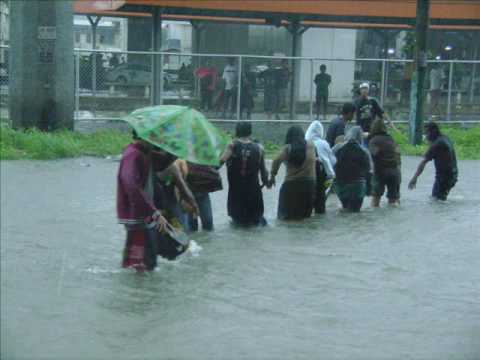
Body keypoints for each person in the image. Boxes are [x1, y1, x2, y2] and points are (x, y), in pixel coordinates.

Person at [117, 131, 178, 271]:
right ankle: (140, 290)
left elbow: (162, 162)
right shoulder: (133, 154)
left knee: (139, 261)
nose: (159, 140)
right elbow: (131, 185)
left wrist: (178, 146)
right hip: (139, 214)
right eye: (156, 136)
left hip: (144, 214)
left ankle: (137, 289)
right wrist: (154, 212)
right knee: (143, 262)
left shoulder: (144, 152)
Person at [221, 122, 269, 226]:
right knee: (255, 224)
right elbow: (264, 173)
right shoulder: (259, 149)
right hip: (255, 193)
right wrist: (266, 182)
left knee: (238, 225)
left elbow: (219, 162)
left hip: (237, 194)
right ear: (250, 132)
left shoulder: (232, 146)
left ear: (237, 131)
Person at [270, 126, 317, 220]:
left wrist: (273, 175)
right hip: (309, 186)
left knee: (285, 219)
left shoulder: (288, 148)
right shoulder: (312, 145)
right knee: (305, 219)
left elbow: (276, 160)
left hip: (291, 186)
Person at [408, 122, 458, 201]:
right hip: (452, 174)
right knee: (437, 199)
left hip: (444, 177)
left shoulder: (437, 145)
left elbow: (423, 162)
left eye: (426, 133)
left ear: (432, 132)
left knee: (437, 201)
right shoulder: (445, 138)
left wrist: (414, 178)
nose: (426, 136)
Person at [333, 126, 372, 212]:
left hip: (341, 185)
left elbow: (331, 164)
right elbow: (369, 170)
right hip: (358, 186)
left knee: (345, 208)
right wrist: (369, 190)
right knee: (355, 212)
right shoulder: (364, 150)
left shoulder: (337, 148)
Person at [368, 119, 402, 207]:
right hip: (394, 171)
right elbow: (397, 153)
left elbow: (375, 154)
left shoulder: (373, 141)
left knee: (375, 201)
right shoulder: (390, 138)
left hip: (381, 171)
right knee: (393, 201)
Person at [305, 121, 336, 214]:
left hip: (308, 176)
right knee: (321, 202)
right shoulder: (324, 143)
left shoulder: (305, 142)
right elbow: (333, 160)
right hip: (325, 177)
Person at [185, 162, 223, 232]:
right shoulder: (181, 157)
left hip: (201, 191)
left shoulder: (202, 156)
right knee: (191, 228)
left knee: (208, 225)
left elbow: (215, 165)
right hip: (187, 193)